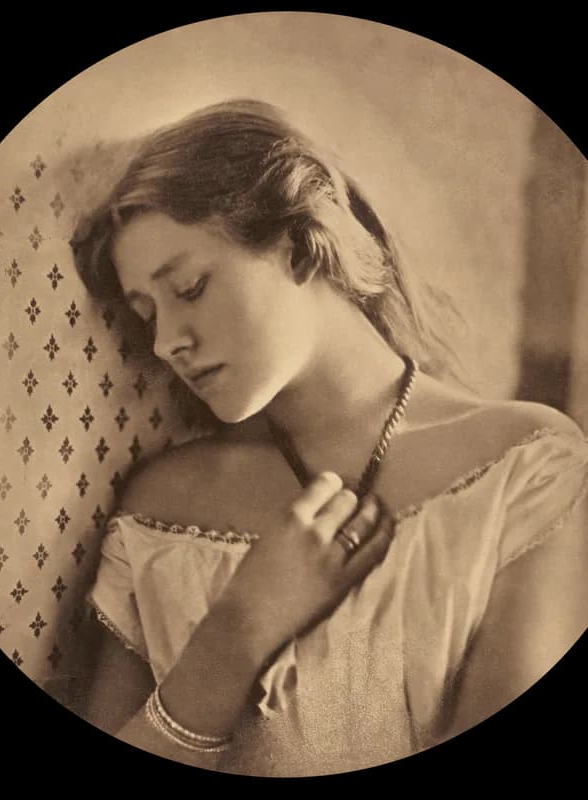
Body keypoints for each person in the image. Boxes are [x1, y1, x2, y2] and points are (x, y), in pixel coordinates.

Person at [71, 99, 588, 777]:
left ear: (298, 246)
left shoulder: (528, 464)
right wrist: (238, 629)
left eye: (190, 288)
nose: (167, 343)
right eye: (146, 316)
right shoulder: (161, 509)